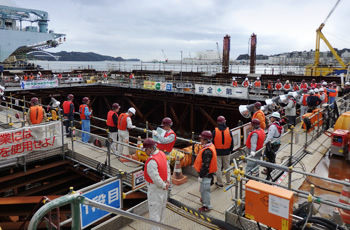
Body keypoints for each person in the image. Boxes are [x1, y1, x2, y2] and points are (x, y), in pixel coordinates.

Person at [143, 138, 170, 230]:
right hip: (164, 188)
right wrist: (167, 182)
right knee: (162, 212)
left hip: (155, 191)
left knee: (154, 215)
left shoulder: (151, 161)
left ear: (150, 149)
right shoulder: (162, 154)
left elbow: (155, 177)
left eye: (145, 149)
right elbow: (167, 169)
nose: (145, 151)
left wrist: (163, 185)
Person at [194, 131, 217, 212]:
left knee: (205, 190)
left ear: (205, 140)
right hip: (208, 174)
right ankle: (204, 200)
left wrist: (201, 175)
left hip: (206, 175)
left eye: (201, 139)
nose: (200, 140)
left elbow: (205, 165)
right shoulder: (210, 146)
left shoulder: (207, 151)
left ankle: (207, 206)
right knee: (203, 189)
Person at [212, 116, 233, 188]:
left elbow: (212, 142)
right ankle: (228, 181)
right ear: (224, 122)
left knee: (218, 168)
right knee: (227, 166)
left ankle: (219, 182)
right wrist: (231, 150)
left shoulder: (215, 131)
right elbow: (231, 142)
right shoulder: (229, 131)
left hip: (217, 152)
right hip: (227, 152)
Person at [262, 112, 283, 180]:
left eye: (271, 117)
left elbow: (269, 136)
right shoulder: (279, 125)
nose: (270, 118)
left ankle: (269, 169)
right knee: (273, 156)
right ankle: (272, 168)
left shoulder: (273, 126)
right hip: (277, 143)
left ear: (274, 118)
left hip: (271, 145)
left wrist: (265, 143)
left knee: (267, 157)